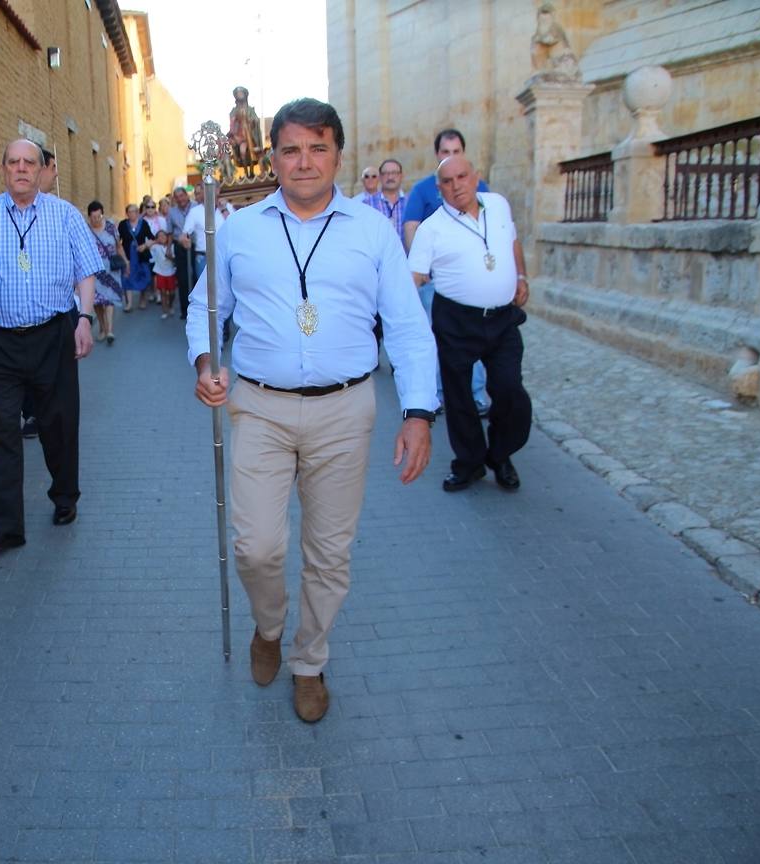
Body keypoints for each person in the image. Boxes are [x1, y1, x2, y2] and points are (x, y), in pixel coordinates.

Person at [187, 98, 437, 723]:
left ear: (338, 155)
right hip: (261, 410)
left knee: (330, 552)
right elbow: (205, 309)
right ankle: (268, 627)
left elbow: (406, 327)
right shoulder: (239, 230)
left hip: (346, 412)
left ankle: (310, 660)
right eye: (292, 149)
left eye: (318, 148)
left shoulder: (373, 232)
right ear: (273, 156)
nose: (305, 162)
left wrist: (418, 413)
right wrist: (205, 363)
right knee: (257, 548)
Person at [0, 138, 102, 551]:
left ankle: (65, 496)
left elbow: (87, 270)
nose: (20, 169)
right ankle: (6, 526)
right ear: (3, 170)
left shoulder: (65, 216)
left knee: (58, 423)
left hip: (53, 334)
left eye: (28, 162)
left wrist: (83, 318)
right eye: (13, 162)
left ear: (41, 170)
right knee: (4, 427)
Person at [408, 155, 531, 493]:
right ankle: (470, 463)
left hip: (502, 317)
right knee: (459, 395)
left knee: (509, 389)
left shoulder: (498, 205)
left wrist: (521, 275)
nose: (456, 185)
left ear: (475, 177)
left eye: (462, 176)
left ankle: (501, 455)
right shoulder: (431, 229)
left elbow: (512, 241)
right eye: (447, 181)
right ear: (439, 188)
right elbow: (414, 277)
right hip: (456, 320)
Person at [403, 129, 491, 414]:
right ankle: (439, 393)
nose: (450, 157)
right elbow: (411, 225)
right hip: (436, 282)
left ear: (463, 153)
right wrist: (421, 267)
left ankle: (476, 394)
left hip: (474, 282)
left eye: (456, 152)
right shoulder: (424, 189)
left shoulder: (481, 187)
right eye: (445, 152)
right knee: (439, 338)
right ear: (437, 154)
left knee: (476, 338)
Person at [21, 148, 61, 439]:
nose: (56, 173)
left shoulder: (61, 213)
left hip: (56, 313)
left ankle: (49, 413)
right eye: (53, 167)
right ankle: (32, 412)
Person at [86, 200, 126, 344]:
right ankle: (102, 328)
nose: (96, 220)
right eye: (94, 217)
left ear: (102, 215)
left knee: (109, 299)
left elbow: (118, 246)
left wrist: (126, 262)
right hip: (93, 271)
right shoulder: (85, 229)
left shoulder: (110, 227)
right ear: (89, 217)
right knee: (97, 302)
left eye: (99, 216)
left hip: (110, 268)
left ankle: (109, 330)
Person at [118, 203, 154, 311]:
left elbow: (152, 238)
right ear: (127, 213)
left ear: (138, 213)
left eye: (134, 211)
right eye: (129, 212)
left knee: (143, 277)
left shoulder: (144, 224)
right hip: (128, 256)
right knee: (126, 278)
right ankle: (129, 304)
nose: (132, 214)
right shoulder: (123, 224)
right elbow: (117, 240)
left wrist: (145, 245)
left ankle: (143, 299)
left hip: (141, 256)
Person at [167, 187, 193, 319]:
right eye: (177, 197)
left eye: (182, 196)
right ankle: (185, 310)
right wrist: (168, 248)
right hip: (179, 247)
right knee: (182, 279)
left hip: (195, 246)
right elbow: (170, 233)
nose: (180, 199)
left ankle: (198, 309)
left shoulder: (196, 207)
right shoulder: (171, 212)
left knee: (196, 277)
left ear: (186, 195)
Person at [373, 158, 408, 242]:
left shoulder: (411, 203)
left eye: (394, 173)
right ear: (380, 177)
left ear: (401, 176)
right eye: (386, 173)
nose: (390, 177)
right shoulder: (367, 204)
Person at [148, 228, 177, 318]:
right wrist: (156, 241)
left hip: (171, 272)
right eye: (159, 236)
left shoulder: (172, 247)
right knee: (163, 292)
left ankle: (170, 305)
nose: (162, 237)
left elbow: (176, 260)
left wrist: (170, 257)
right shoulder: (155, 247)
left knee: (172, 292)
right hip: (160, 272)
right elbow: (148, 245)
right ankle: (164, 310)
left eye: (164, 235)